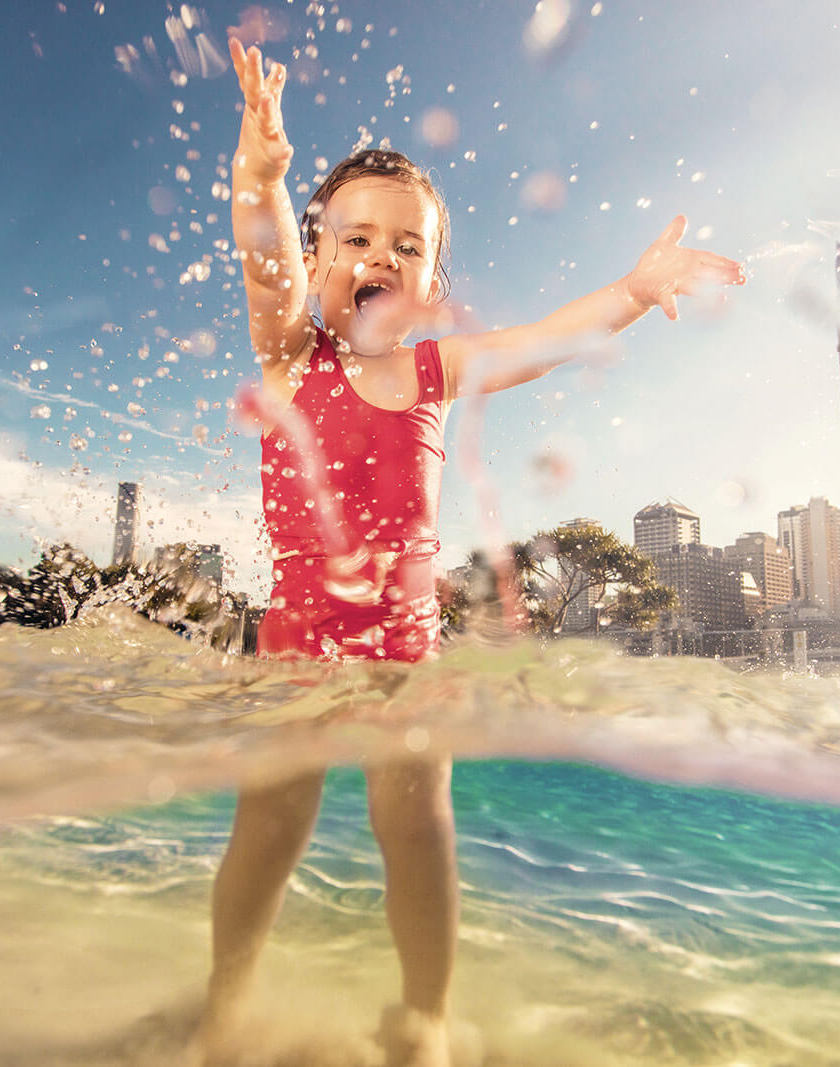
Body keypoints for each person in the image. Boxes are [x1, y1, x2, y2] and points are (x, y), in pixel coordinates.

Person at [193, 38, 745, 1066]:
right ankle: (224, 1001)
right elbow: (261, 258)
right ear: (318, 262)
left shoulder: (436, 371)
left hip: (408, 662)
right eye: (353, 239)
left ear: (432, 281)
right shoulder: (287, 352)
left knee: (419, 834)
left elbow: (545, 335)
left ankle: (424, 1017)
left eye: (407, 248)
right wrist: (259, 180)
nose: (378, 260)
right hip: (292, 654)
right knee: (266, 829)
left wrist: (630, 290)